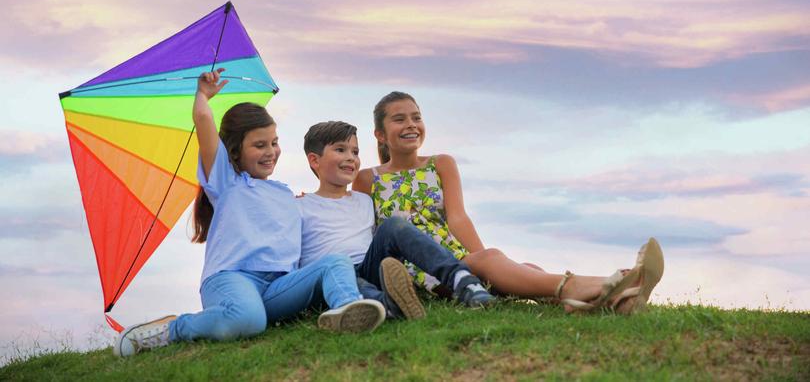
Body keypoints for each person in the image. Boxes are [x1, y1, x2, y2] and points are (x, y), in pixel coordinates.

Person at [113, 69, 384, 358]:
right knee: (249, 320)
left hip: (277, 285)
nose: (271, 152)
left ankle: (347, 309)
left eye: (274, 142)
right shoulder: (227, 182)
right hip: (233, 278)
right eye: (259, 145)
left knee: (335, 262)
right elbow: (204, 122)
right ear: (235, 151)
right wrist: (203, 96)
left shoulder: (285, 194)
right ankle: (171, 329)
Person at [353, 91, 665, 314]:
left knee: (521, 268)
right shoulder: (368, 179)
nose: (411, 124)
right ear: (380, 134)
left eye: (416, 117)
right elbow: (363, 230)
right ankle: (606, 284)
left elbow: (458, 218)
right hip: (415, 267)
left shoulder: (441, 163)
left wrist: (484, 259)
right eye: (399, 119)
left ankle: (614, 299)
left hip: (454, 256)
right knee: (499, 266)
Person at [297, 121, 497, 320]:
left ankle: (463, 280)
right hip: (332, 277)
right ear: (315, 160)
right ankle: (387, 304)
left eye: (355, 152)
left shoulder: (365, 200)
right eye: (340, 150)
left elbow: (390, 235)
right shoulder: (299, 205)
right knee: (351, 279)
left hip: (369, 267)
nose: (351, 158)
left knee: (394, 224)